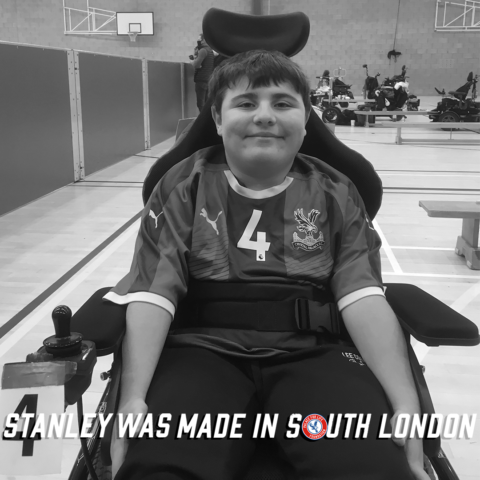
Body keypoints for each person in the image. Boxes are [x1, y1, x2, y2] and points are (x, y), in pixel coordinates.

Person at [105, 50, 430, 480]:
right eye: (245, 103)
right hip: (201, 353)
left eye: (282, 103)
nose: (264, 116)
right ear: (217, 118)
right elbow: (154, 293)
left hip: (315, 353)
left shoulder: (336, 190)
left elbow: (362, 295)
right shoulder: (183, 184)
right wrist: (132, 398)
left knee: (373, 470)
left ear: (307, 118)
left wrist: (405, 402)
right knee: (158, 469)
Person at [190, 33, 215, 112]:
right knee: (207, 103)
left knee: (200, 104)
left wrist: (192, 61)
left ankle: (203, 118)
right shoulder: (210, 50)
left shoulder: (203, 50)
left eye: (200, 39)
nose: (199, 41)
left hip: (201, 79)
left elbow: (196, 65)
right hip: (208, 79)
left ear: (204, 40)